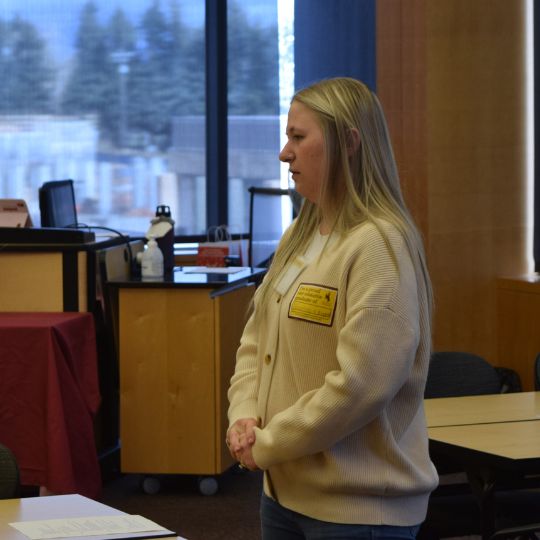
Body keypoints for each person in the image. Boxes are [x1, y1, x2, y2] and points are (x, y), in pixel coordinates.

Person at [226, 77, 438, 540]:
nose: (285, 154)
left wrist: (270, 444)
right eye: (288, 138)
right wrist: (242, 415)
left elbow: (360, 386)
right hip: (283, 492)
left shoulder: (380, 246)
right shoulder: (299, 236)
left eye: (298, 138)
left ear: (348, 143)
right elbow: (255, 340)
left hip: (358, 510)